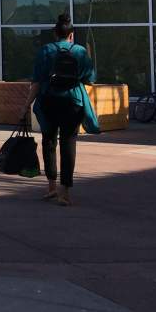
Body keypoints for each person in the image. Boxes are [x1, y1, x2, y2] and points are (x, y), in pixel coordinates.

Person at [22, 13, 99, 206]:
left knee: (49, 141)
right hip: (73, 102)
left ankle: (51, 187)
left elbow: (37, 82)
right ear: (71, 35)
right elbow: (90, 79)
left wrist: (26, 105)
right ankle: (65, 193)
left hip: (48, 101)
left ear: (55, 34)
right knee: (68, 143)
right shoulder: (80, 52)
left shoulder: (45, 50)